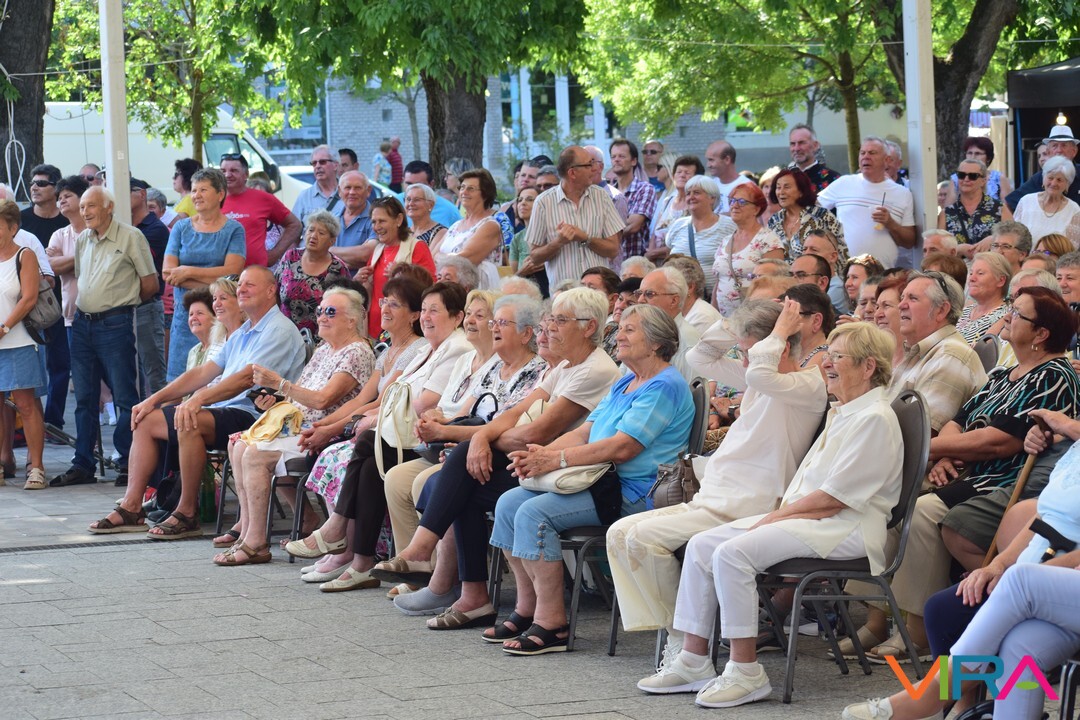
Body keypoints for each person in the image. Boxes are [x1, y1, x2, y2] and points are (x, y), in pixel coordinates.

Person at [639, 322, 902, 706]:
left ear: (868, 367)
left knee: (733, 554)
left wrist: (774, 518)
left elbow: (835, 499)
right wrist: (777, 516)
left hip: (846, 528)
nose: (827, 363)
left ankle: (746, 671)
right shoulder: (847, 410)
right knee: (701, 545)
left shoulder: (874, 417)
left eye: (838, 356)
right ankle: (693, 660)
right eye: (828, 354)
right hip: (813, 519)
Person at [852, 287, 1080, 664]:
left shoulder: (1053, 376)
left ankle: (918, 631)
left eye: (1018, 314)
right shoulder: (1004, 373)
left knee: (921, 514)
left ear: (1041, 334)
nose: (1007, 316)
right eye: (1010, 309)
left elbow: (999, 442)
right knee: (887, 500)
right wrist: (942, 453)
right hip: (968, 469)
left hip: (1000, 478)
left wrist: (926, 450)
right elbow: (960, 420)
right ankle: (876, 618)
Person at [612, 299, 827, 652]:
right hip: (714, 497)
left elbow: (759, 373)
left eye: (748, 352)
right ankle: (680, 633)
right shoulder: (761, 376)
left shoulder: (806, 385)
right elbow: (700, 357)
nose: (743, 361)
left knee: (641, 540)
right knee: (619, 534)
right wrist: (734, 320)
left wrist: (778, 332)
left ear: (782, 347)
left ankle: (683, 642)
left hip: (749, 504)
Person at [482, 304, 693, 654]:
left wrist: (556, 459)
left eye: (629, 330)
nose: (618, 336)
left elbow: (623, 447)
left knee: (534, 513)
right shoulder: (626, 380)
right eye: (620, 328)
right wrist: (538, 456)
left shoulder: (665, 385)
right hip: (600, 482)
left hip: (636, 491)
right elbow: (585, 432)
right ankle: (527, 607)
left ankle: (553, 623)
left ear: (656, 343)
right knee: (509, 503)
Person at [87, 266, 305, 537]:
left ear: (271, 290)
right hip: (227, 409)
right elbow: (203, 372)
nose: (241, 289)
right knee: (145, 419)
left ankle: (187, 512)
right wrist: (153, 400)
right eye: (240, 285)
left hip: (258, 415)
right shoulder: (244, 331)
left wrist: (198, 399)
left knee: (188, 419)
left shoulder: (278, 329)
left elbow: (246, 379)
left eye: (249, 285)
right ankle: (132, 507)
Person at [285, 283, 472, 591]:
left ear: (456, 317)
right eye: (425, 309)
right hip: (407, 434)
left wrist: (364, 421)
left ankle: (341, 536)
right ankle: (362, 560)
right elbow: (388, 397)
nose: (426, 317)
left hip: (425, 437)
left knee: (367, 444)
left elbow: (423, 402)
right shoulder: (426, 349)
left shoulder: (457, 348)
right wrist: (350, 423)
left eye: (434, 311)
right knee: (370, 462)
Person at [371, 296, 549, 614]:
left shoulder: (537, 372)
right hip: (475, 451)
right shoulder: (494, 367)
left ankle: (438, 576)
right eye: (492, 322)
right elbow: (465, 415)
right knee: (406, 474)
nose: (493, 328)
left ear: (526, 334)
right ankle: (438, 578)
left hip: (509, 458)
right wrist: (440, 423)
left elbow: (513, 430)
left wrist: (450, 435)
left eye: (501, 322)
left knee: (452, 481)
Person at [213, 287, 374, 565]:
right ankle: (249, 532)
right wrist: (274, 400)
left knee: (254, 454)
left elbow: (323, 400)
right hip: (298, 426)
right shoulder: (325, 349)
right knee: (237, 443)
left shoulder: (356, 352)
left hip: (323, 432)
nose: (321, 317)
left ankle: (256, 543)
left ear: (352, 320)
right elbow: (297, 396)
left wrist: (279, 383)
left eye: (330, 312)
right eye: (320, 311)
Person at [162, 168, 246, 381]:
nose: (196, 195)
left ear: (220, 194)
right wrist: (214, 278)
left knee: (216, 380)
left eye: (203, 190)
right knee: (179, 379)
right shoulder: (181, 228)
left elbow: (232, 273)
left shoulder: (234, 229)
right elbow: (168, 273)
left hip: (220, 316)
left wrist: (187, 272)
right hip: (185, 316)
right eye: (194, 190)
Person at [525, 146, 625, 289]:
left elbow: (613, 250)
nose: (594, 169)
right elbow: (535, 257)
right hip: (564, 295)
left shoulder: (601, 196)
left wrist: (585, 238)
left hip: (597, 293)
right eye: (589, 164)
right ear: (572, 173)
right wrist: (558, 242)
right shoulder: (543, 202)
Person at [0, 199, 47, 490]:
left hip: (18, 341)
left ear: (13, 227)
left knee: (26, 405)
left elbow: (29, 298)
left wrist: (4, 328)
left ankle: (37, 468)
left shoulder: (24, 255)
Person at [818, 136, 916, 268]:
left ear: (887, 160)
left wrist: (890, 223)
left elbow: (909, 242)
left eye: (872, 153)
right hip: (844, 271)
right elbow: (813, 210)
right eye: (862, 153)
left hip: (882, 273)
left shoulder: (902, 194)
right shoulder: (844, 183)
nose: (866, 157)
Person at [43, 176, 89, 434]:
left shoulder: (96, 231)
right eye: (59, 197)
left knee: (111, 380)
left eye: (67, 196)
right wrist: (83, 257)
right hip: (70, 316)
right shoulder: (59, 234)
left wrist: (66, 260)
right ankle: (85, 441)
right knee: (80, 380)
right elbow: (51, 266)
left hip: (103, 316)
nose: (61, 200)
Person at [357, 197, 437, 338]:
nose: (376, 227)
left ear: (399, 220)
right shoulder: (378, 249)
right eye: (374, 222)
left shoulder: (417, 247)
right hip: (373, 329)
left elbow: (430, 287)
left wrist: (403, 274)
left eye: (382, 221)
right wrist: (358, 279)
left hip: (403, 331)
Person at [712, 183, 785, 317]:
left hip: (753, 319)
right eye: (732, 200)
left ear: (756, 209)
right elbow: (719, 281)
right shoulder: (726, 240)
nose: (734, 205)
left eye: (742, 202)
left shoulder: (768, 240)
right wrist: (713, 314)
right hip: (723, 320)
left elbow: (775, 285)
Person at [220, 153, 301, 267]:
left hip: (255, 273)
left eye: (234, 170)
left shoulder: (263, 198)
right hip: (222, 273)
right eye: (223, 171)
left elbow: (295, 225)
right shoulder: (213, 199)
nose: (228, 175)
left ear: (246, 174)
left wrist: (274, 254)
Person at [277, 210, 349, 337]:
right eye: (310, 230)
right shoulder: (290, 257)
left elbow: (344, 308)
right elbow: (274, 292)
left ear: (332, 241)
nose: (313, 236)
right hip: (284, 335)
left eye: (321, 233)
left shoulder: (338, 268)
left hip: (321, 338)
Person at [430, 169, 503, 291]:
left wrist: (440, 257)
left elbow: (463, 260)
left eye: (471, 189)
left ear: (485, 194)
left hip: (477, 290)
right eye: (462, 187)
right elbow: (432, 257)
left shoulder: (490, 225)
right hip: (449, 289)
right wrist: (444, 257)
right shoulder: (455, 226)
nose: (464, 192)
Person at [664, 176, 736, 298]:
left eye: (696, 193)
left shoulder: (729, 226)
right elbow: (669, 255)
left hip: (715, 298)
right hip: (679, 298)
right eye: (688, 193)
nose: (691, 197)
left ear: (712, 198)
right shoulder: (678, 225)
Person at [766, 167, 848, 267]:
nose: (781, 192)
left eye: (787, 187)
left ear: (801, 191)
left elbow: (842, 251)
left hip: (818, 274)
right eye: (778, 187)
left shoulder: (822, 216)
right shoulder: (774, 221)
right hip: (782, 276)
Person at [640, 267, 701, 381]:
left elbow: (693, 389)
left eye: (649, 294)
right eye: (639, 293)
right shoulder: (641, 331)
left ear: (673, 301)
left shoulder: (687, 340)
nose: (640, 300)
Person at [941, 158, 1012, 253]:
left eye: (972, 176)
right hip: (957, 262)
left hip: (991, 261)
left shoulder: (999, 208)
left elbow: (1014, 237)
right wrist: (959, 249)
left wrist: (994, 239)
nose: (966, 179)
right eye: (961, 175)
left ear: (983, 181)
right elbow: (939, 248)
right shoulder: (946, 213)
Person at [1006, 124, 1080, 210]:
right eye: (1055, 146)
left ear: (1074, 151)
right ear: (1048, 152)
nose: (1059, 150)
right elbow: (1010, 204)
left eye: (1064, 145)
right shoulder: (1038, 178)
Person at [1013, 155, 1080, 246]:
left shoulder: (1074, 210)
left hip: (1057, 256)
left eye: (1059, 180)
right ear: (1043, 178)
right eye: (1050, 178)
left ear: (1067, 184)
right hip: (1024, 255)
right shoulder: (1026, 202)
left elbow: (1072, 247)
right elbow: (1014, 236)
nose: (1053, 183)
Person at [608, 139, 657, 260]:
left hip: (635, 263)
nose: (616, 159)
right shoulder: (606, 194)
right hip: (610, 263)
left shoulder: (645, 189)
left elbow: (634, 225)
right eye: (613, 156)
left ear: (633, 161)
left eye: (621, 156)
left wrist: (606, 233)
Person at [648, 155, 703, 259]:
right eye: (679, 172)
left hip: (680, 261)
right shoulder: (667, 201)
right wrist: (650, 253)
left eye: (687, 173)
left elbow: (691, 240)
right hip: (657, 261)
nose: (682, 175)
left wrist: (654, 253)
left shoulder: (697, 205)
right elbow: (655, 233)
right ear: (673, 176)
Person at [957, 252, 1012, 344]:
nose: (972, 279)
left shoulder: (1006, 317)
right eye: (971, 273)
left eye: (980, 273)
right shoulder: (965, 311)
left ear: (1001, 280)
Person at [665, 255, 723, 336]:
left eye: (670, 285)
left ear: (689, 287)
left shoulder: (702, 318)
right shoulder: (686, 312)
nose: (665, 290)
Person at [949, 136, 1013, 202]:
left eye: (978, 153)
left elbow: (1006, 206)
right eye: (970, 153)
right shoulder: (956, 178)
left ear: (988, 158)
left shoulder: (999, 178)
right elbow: (949, 206)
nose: (973, 157)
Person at [401, 160, 462, 228]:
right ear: (403, 181)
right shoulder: (394, 203)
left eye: (418, 185)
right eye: (409, 184)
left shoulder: (449, 210)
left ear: (431, 184)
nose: (412, 189)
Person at [331, 171, 374, 265]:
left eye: (358, 188)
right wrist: (353, 260)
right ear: (339, 191)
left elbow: (366, 254)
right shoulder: (331, 219)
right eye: (347, 187)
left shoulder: (376, 219)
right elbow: (318, 254)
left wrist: (328, 250)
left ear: (368, 191)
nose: (352, 192)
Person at [292, 145, 340, 224]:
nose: (317, 166)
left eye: (322, 162)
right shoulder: (304, 196)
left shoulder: (347, 194)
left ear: (335, 165)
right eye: (314, 163)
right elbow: (294, 227)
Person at [787, 123, 841, 193]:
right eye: (793, 144)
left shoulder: (834, 179)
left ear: (815, 145)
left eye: (802, 143)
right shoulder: (783, 178)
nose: (796, 148)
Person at [705, 140, 751, 214]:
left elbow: (744, 215)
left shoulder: (747, 186)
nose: (708, 165)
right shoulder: (710, 186)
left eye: (711, 160)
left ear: (727, 160)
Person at [403, 182, 447, 247]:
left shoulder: (440, 232)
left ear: (430, 205)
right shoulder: (404, 233)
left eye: (417, 200)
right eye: (408, 199)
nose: (411, 203)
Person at [508, 186, 538, 275]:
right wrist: (522, 272)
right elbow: (512, 278)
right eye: (520, 200)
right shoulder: (517, 238)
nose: (523, 203)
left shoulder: (551, 233)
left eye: (530, 199)